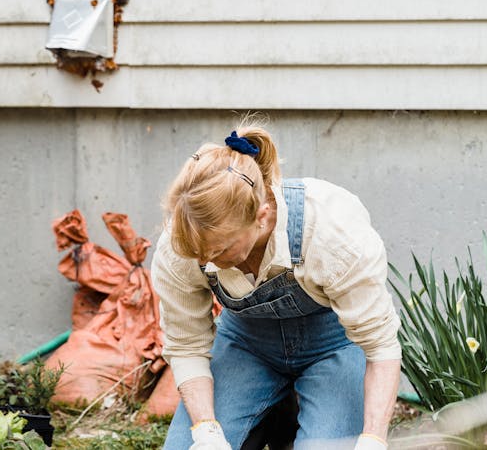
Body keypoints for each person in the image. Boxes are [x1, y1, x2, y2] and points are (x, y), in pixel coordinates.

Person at [153, 123, 402, 450]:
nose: (208, 261)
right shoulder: (187, 239)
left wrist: (372, 440)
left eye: (221, 250)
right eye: (201, 254)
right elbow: (186, 346)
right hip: (245, 344)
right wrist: (205, 431)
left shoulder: (331, 231)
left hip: (334, 346)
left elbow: (381, 347)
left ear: (261, 216)